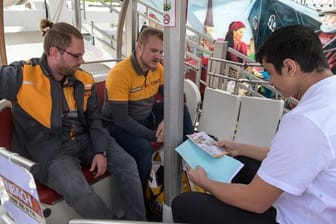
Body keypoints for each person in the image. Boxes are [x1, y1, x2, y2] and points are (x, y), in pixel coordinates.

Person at [172, 25, 336, 224]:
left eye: (270, 73)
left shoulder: (305, 120)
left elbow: (256, 201)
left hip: (296, 216)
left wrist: (205, 182)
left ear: (290, 67)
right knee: (241, 162)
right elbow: (294, 156)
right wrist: (239, 148)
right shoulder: (328, 97)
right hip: (319, 204)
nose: (270, 81)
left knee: (185, 204)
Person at [0, 19, 146, 220]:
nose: (82, 61)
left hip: (85, 140)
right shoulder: (22, 75)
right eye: (76, 55)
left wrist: (100, 151)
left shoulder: (84, 80)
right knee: (79, 190)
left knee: (128, 164)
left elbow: (95, 120)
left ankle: (138, 221)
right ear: (54, 52)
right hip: (51, 152)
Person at [102, 27, 194, 190]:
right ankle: (146, 195)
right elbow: (121, 120)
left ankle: (189, 161)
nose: (158, 56)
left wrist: (168, 119)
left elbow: (178, 98)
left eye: (161, 52)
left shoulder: (157, 69)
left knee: (182, 110)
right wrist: (154, 136)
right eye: (153, 50)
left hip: (145, 118)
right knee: (144, 150)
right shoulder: (120, 73)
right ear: (139, 47)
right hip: (119, 127)